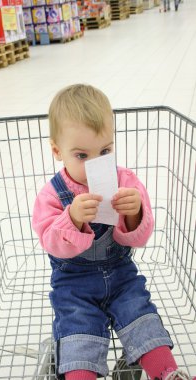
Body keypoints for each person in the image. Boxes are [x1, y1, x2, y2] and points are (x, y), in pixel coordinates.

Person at [32, 84, 195, 380]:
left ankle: (169, 374)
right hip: (74, 285)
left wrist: (134, 211)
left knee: (141, 315)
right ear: (57, 150)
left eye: (105, 151)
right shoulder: (51, 195)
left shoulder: (125, 180)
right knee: (78, 331)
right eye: (82, 155)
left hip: (121, 274)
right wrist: (72, 219)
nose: (96, 163)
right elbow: (50, 242)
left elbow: (140, 237)